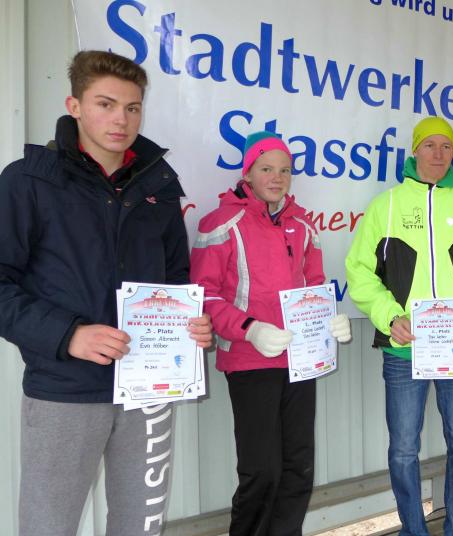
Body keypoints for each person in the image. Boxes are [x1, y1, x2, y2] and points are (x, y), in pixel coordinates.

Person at [0, 50, 213, 536]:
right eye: (106, 104)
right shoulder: (29, 180)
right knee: (48, 528)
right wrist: (69, 335)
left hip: (149, 389)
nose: (121, 119)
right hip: (65, 390)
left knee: (141, 527)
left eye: (132, 107)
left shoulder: (160, 185)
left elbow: (176, 282)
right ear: (74, 106)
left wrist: (193, 325)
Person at [190, 131, 352, 536]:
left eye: (284, 170)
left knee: (298, 466)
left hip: (300, 360)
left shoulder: (303, 225)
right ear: (248, 172)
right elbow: (204, 295)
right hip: (250, 360)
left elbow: (315, 285)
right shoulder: (221, 223)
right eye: (266, 169)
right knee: (261, 470)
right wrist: (249, 329)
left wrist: (329, 320)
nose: (276, 178)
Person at [345, 117, 453, 535]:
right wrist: (389, 316)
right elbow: (359, 272)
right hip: (404, 348)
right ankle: (413, 530)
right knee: (403, 450)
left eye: (446, 146)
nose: (438, 153)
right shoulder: (386, 206)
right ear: (414, 151)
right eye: (429, 145)